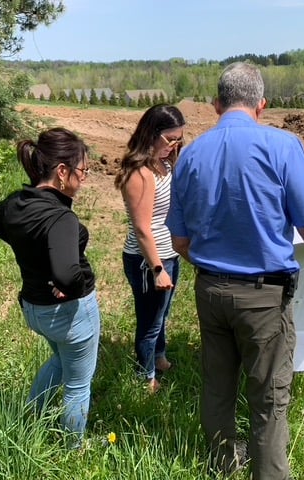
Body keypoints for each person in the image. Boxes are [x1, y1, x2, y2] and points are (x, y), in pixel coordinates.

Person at [166, 62, 304, 480]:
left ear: (216, 105)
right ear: (261, 105)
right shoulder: (283, 147)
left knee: (217, 384)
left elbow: (180, 242)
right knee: (269, 397)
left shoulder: (189, 154)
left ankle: (223, 465)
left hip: (209, 292)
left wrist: (215, 266)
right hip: (264, 298)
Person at [0, 127, 100, 449]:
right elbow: (66, 276)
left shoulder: (18, 202)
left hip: (34, 309)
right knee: (78, 384)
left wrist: (32, 254)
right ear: (62, 172)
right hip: (69, 314)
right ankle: (72, 451)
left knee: (59, 363)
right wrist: (72, 286)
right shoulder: (60, 217)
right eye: (83, 170)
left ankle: (30, 418)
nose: (85, 177)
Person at [114, 104, 185, 394]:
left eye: (179, 139)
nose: (174, 145)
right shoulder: (139, 174)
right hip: (147, 260)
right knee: (149, 321)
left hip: (169, 254)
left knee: (162, 314)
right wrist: (157, 268)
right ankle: (146, 377)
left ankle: (159, 357)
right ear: (151, 134)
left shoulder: (164, 164)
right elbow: (142, 228)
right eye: (170, 139)